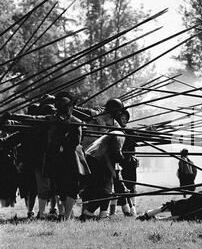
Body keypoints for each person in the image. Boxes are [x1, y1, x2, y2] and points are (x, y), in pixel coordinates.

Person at [7, 92, 90, 220]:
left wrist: (62, 140)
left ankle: (67, 216)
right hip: (56, 158)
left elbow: (75, 142)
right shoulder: (51, 119)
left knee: (72, 187)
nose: (70, 109)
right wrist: (13, 116)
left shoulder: (76, 122)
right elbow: (33, 119)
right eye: (68, 106)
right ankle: (64, 214)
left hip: (72, 159)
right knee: (59, 187)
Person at [80, 128, 126, 220]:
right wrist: (125, 160)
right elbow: (117, 154)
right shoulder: (118, 136)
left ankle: (102, 214)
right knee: (105, 192)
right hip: (98, 163)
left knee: (105, 191)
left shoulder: (111, 136)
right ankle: (88, 213)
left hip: (94, 161)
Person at [110, 110, 138, 217]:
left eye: (126, 118)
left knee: (131, 185)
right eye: (122, 118)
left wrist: (149, 130)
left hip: (130, 163)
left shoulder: (130, 131)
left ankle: (132, 208)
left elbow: (139, 136)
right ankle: (124, 209)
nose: (124, 120)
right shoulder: (114, 132)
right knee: (119, 187)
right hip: (118, 163)